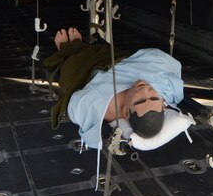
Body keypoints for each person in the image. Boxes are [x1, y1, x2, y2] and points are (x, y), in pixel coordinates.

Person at [43, 28, 184, 149]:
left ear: (126, 113)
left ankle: (69, 48)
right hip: (113, 59)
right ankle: (80, 47)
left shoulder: (101, 106)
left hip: (88, 67)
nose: (145, 90)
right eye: (154, 97)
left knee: (73, 65)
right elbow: (167, 65)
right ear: (163, 104)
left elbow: (77, 106)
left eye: (140, 101)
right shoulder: (165, 90)